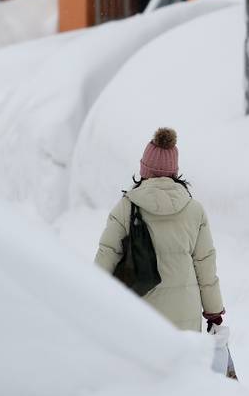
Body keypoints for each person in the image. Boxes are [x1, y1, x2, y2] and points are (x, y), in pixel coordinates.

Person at [95, 127, 226, 332]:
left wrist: (91, 302)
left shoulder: (126, 207)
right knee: (182, 364)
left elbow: (106, 255)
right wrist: (214, 311)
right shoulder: (194, 210)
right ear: (174, 171)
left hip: (140, 314)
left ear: (144, 169)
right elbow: (205, 265)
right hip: (186, 314)